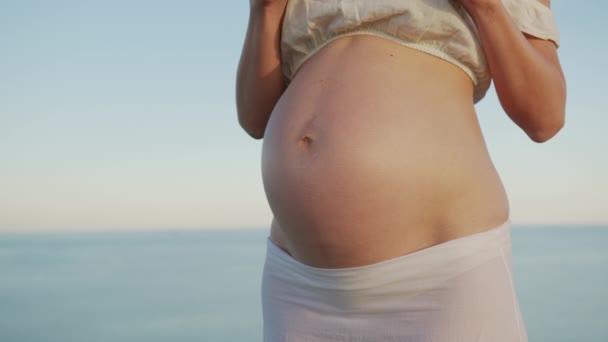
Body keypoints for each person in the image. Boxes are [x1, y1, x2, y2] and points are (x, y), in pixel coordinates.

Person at [236, 0, 566, 340]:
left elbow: (545, 117)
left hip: (440, 277)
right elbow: (254, 118)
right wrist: (266, 11)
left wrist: (486, 8)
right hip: (298, 285)